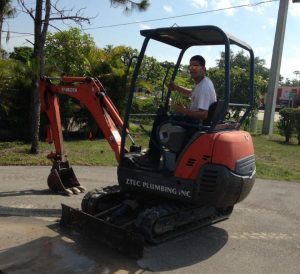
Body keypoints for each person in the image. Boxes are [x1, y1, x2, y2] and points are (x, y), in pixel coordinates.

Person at [137, 55, 217, 166]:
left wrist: (183, 110)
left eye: (196, 66)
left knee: (161, 120)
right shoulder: (203, 83)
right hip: (194, 121)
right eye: (190, 66)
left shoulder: (204, 87)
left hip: (195, 123)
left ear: (204, 69)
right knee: (166, 118)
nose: (192, 69)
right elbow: (191, 93)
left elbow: (203, 115)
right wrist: (176, 87)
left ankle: (153, 157)